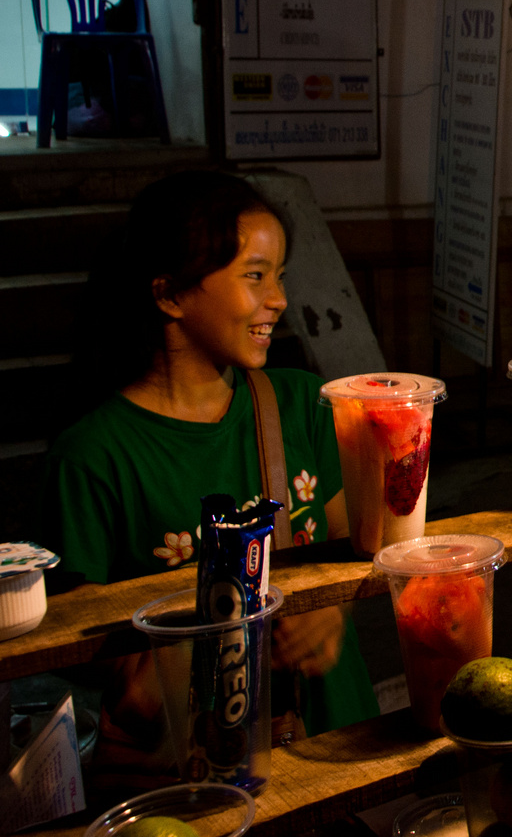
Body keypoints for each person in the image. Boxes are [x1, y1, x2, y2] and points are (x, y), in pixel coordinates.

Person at [41, 171, 377, 778]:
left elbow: (352, 552)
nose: (277, 297)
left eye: (279, 275)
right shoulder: (93, 457)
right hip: (203, 775)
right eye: (254, 275)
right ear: (169, 295)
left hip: (338, 736)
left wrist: (332, 608)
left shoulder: (303, 405)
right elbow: (89, 656)